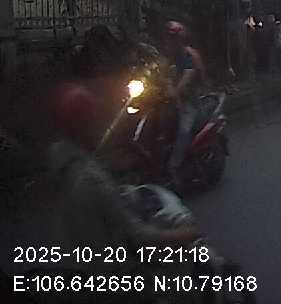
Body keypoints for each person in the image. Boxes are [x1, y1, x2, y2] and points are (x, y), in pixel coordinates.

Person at [47, 83, 201, 258]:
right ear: (85, 125)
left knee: (183, 133)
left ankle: (175, 165)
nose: (99, 124)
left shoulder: (60, 164)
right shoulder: (93, 179)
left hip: (184, 107)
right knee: (189, 254)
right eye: (94, 120)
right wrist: (185, 234)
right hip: (114, 264)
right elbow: (140, 236)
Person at [161, 21, 208, 186]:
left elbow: (187, 77)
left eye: (172, 38)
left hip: (191, 101)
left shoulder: (189, 56)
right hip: (173, 101)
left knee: (183, 131)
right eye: (168, 38)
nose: (169, 41)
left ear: (180, 39)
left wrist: (175, 91)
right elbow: (163, 74)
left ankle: (174, 166)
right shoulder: (168, 56)